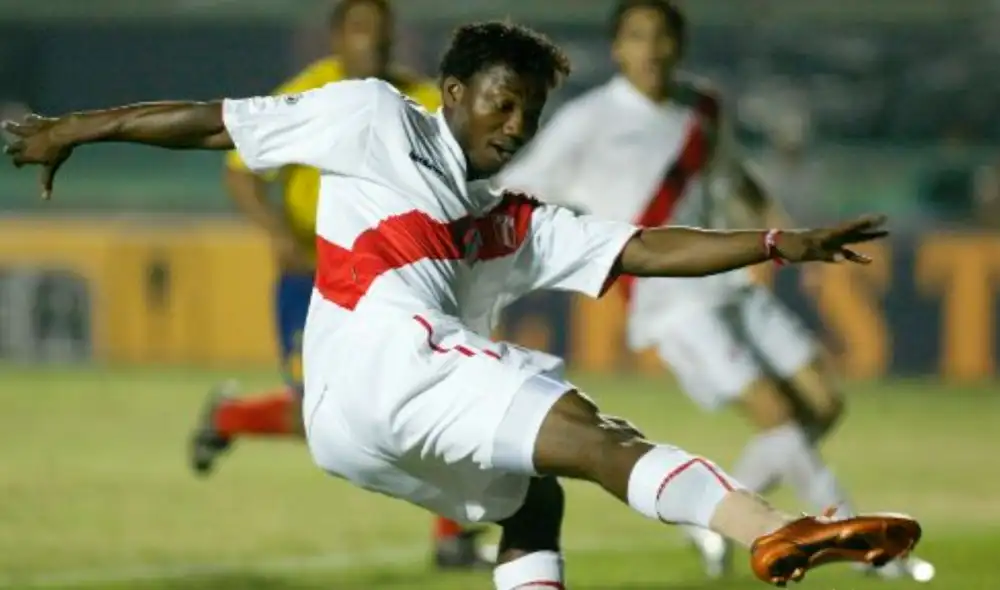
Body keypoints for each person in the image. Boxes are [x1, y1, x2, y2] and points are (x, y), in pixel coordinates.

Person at [3, 20, 921, 589]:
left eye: (530, 112)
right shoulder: (374, 118)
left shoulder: (516, 222)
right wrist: (73, 129)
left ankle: (766, 528)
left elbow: (643, 247)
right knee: (603, 439)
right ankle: (770, 529)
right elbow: (216, 122)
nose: (516, 125)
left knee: (532, 509)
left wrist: (774, 243)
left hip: (349, 429)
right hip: (389, 365)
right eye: (501, 102)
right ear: (451, 94)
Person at [496, 0, 933, 582]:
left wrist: (790, 233)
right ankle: (860, 548)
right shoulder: (590, 121)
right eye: (637, 36)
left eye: (662, 36)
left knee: (824, 404)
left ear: (679, 44)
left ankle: (714, 516)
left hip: (729, 278)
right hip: (666, 298)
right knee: (777, 416)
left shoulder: (702, 106)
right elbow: (519, 190)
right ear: (618, 48)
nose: (651, 49)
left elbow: (734, 175)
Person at [194, 0, 486, 568]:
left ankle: (453, 537)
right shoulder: (310, 94)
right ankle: (227, 418)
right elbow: (240, 175)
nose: (372, 46)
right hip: (314, 282)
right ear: (336, 38)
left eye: (381, 35)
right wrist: (281, 235)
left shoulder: (423, 99)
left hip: (397, 284)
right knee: (318, 416)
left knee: (438, 393)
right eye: (359, 32)